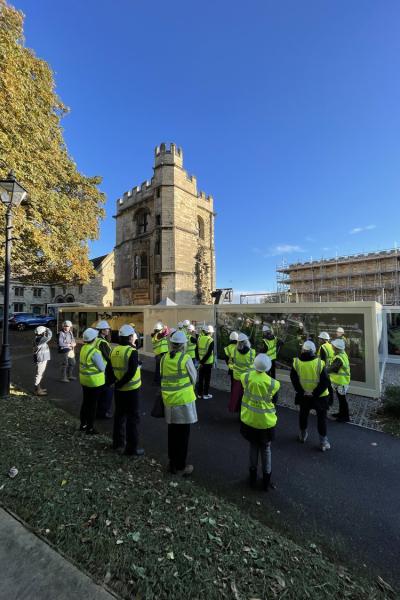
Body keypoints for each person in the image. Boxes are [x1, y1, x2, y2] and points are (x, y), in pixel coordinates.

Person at [240, 354, 280, 491]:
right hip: (266, 423)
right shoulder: (274, 384)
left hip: (249, 420)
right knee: (266, 449)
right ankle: (266, 481)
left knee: (253, 446)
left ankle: (252, 478)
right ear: (268, 368)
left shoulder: (245, 378)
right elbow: (274, 402)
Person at [160, 330, 197, 475]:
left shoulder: (164, 358)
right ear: (183, 345)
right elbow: (194, 378)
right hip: (183, 402)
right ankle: (181, 466)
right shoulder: (185, 358)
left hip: (169, 401)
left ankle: (172, 463)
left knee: (172, 433)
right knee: (183, 435)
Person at [109, 324, 144, 456]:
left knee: (119, 416)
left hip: (119, 390)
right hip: (131, 390)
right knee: (133, 419)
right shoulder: (132, 352)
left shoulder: (114, 350)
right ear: (130, 337)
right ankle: (131, 449)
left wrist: (116, 383)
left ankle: (117, 443)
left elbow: (111, 369)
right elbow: (131, 372)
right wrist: (121, 384)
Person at [290, 341, 331, 451]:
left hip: (304, 396)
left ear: (302, 350)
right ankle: (323, 442)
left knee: (303, 415)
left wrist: (302, 391)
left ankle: (302, 435)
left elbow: (294, 379)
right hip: (320, 396)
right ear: (313, 351)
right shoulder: (319, 363)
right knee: (321, 419)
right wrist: (314, 393)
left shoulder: (296, 362)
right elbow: (326, 382)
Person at [79, 328, 106, 434]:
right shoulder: (95, 352)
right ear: (94, 339)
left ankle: (83, 424)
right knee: (93, 406)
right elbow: (102, 368)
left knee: (85, 403)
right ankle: (90, 428)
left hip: (84, 380)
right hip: (95, 382)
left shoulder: (83, 348)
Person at [229, 333, 256, 413]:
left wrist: (233, 368)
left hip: (237, 377)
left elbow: (230, 363)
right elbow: (254, 365)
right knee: (247, 397)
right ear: (247, 342)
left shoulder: (234, 351)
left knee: (237, 396)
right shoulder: (252, 352)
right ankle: (245, 413)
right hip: (248, 378)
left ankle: (236, 409)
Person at [328, 338, 351, 422]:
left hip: (341, 382)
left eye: (333, 346)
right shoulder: (342, 354)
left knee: (342, 400)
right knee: (341, 400)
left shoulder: (339, 358)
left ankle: (345, 417)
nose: (332, 346)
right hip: (341, 382)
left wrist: (323, 371)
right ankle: (341, 414)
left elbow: (332, 368)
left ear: (337, 348)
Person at [94, 320, 113, 419]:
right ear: (102, 331)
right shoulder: (102, 342)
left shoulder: (96, 340)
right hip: (105, 371)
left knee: (100, 393)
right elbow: (109, 357)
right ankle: (104, 412)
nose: (108, 330)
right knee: (107, 393)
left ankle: (99, 411)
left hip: (99, 371)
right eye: (107, 329)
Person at [196, 324, 214, 399]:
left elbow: (196, 350)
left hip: (201, 362)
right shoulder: (210, 340)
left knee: (200, 378)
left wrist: (199, 361)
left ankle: (199, 394)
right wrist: (203, 362)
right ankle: (206, 394)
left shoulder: (199, 338)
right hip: (207, 363)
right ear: (209, 332)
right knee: (207, 379)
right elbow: (209, 353)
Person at [33, 325, 52, 396]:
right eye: (44, 332)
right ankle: (37, 390)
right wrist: (47, 329)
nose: (45, 333)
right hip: (41, 359)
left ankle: (39, 388)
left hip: (42, 358)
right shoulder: (40, 339)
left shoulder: (38, 338)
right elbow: (50, 336)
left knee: (40, 374)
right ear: (42, 333)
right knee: (39, 375)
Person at [317, 331, 335, 406]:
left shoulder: (323, 347)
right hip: (330, 368)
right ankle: (331, 401)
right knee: (329, 385)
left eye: (320, 339)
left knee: (324, 384)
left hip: (324, 369)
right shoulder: (330, 346)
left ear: (323, 339)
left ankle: (324, 400)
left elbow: (322, 360)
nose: (319, 340)